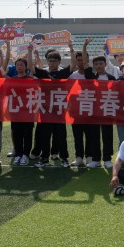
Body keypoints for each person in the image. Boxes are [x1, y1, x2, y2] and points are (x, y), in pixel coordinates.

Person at [29, 40, 76, 168]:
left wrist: (71, 49)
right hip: (45, 110)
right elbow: (31, 67)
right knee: (45, 136)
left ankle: (64, 158)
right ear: (47, 62)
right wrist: (29, 51)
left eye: (55, 61)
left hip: (59, 110)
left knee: (61, 135)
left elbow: (73, 64)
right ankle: (44, 158)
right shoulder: (43, 73)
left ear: (59, 62)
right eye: (50, 61)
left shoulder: (62, 73)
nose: (52, 63)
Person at [86, 54, 117, 168]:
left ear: (105, 64)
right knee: (94, 135)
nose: (99, 66)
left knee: (107, 135)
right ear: (93, 65)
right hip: (94, 110)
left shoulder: (111, 78)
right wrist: (84, 46)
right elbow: (85, 64)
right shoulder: (91, 77)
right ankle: (96, 159)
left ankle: (107, 159)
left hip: (107, 110)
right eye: (96, 64)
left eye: (101, 63)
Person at [69, 38, 96, 168]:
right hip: (76, 110)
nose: (80, 62)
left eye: (82, 59)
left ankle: (89, 156)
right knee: (77, 135)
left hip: (89, 109)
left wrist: (84, 45)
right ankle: (79, 157)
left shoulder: (91, 74)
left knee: (90, 135)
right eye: (78, 60)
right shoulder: (72, 75)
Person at [6, 57, 34, 166]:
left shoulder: (30, 79)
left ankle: (25, 155)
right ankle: (18, 154)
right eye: (17, 65)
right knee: (16, 134)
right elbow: (8, 94)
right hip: (16, 112)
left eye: (22, 65)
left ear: (26, 67)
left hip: (28, 111)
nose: (19, 67)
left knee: (27, 134)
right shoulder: (12, 79)